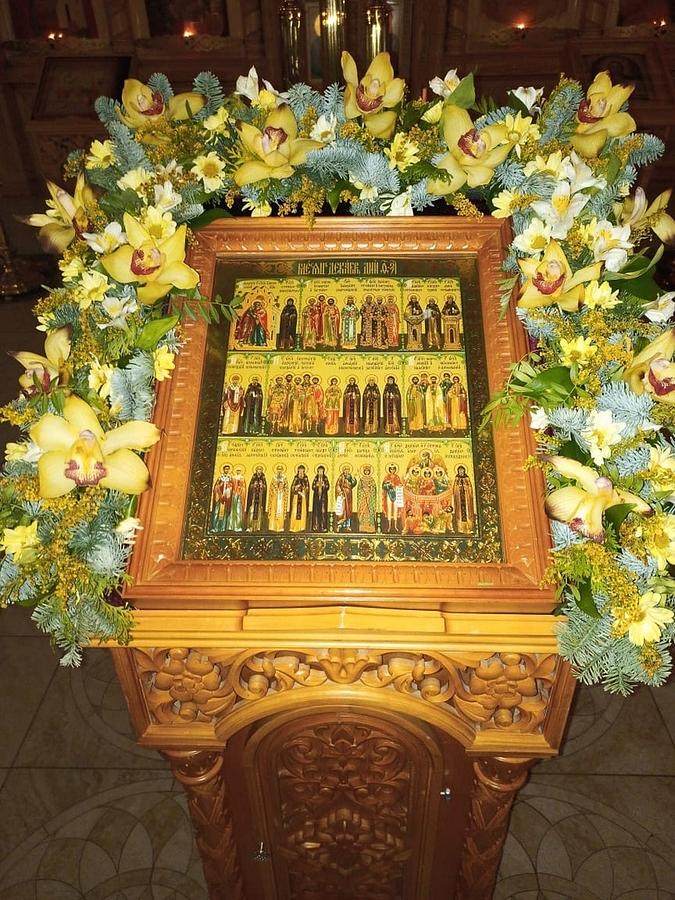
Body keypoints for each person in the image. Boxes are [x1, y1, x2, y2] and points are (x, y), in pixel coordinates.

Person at [452, 465, 475, 534]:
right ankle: (460, 528)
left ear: (464, 471)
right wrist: (458, 488)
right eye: (460, 471)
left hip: (466, 498)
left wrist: (466, 487)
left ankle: (468, 528)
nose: (461, 472)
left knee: (468, 512)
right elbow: (454, 488)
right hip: (459, 498)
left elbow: (470, 488)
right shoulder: (457, 478)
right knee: (460, 513)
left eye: (462, 471)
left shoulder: (467, 478)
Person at [382, 464, 404, 533]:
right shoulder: (387, 477)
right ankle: (389, 526)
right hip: (389, 494)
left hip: (396, 494)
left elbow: (400, 484)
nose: (392, 470)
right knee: (389, 509)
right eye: (391, 469)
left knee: (395, 510)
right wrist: (389, 485)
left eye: (393, 469)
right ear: (389, 470)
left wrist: (398, 485)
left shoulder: (397, 477)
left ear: (395, 470)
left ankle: (395, 526)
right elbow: (383, 486)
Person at [210, 464, 233, 532]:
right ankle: (215, 527)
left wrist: (228, 490)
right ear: (223, 469)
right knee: (217, 512)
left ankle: (223, 528)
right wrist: (219, 491)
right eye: (226, 469)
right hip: (219, 498)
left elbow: (231, 487)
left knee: (225, 513)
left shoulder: (230, 478)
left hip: (226, 498)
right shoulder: (220, 477)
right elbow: (216, 486)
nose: (227, 470)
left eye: (228, 469)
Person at [335, 464, 357, 531]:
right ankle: (339, 525)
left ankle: (347, 526)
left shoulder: (350, 477)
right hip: (343, 496)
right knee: (342, 509)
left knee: (348, 510)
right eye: (345, 470)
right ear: (343, 470)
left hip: (349, 495)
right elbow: (337, 485)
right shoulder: (341, 477)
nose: (347, 471)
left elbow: (352, 484)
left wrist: (354, 479)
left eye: (348, 470)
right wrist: (340, 492)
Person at [289, 464, 310, 532]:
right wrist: (296, 487)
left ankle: (301, 527)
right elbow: (292, 487)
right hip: (296, 496)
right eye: (300, 470)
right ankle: (293, 527)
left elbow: (307, 488)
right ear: (298, 471)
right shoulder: (296, 478)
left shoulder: (305, 478)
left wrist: (304, 488)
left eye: (302, 470)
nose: (301, 472)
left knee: (302, 511)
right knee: (295, 511)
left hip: (303, 497)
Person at [267, 464, 289, 531]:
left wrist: (282, 490)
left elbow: (286, 488)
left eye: (281, 470)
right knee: (273, 510)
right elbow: (271, 487)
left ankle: (280, 526)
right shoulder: (274, 478)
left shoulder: (284, 478)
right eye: (278, 470)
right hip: (275, 497)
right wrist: (275, 491)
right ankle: (272, 526)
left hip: (281, 496)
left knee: (281, 510)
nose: (279, 471)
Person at [357, 464, 377, 533]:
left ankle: (370, 527)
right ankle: (362, 527)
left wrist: (370, 487)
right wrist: (362, 491)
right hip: (363, 497)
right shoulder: (361, 479)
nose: (366, 472)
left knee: (370, 510)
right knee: (363, 511)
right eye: (365, 471)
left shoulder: (372, 480)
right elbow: (359, 489)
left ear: (369, 471)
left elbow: (374, 489)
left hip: (370, 498)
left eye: (368, 471)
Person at [246, 465, 267, 531]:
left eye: (260, 470)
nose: (259, 471)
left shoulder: (263, 478)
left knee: (259, 512)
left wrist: (262, 486)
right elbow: (250, 487)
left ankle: (258, 526)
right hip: (253, 498)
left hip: (260, 498)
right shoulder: (253, 477)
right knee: (252, 511)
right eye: (258, 469)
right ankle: (250, 526)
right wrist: (253, 486)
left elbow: (265, 488)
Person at [311, 465, 330, 532]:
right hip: (316, 497)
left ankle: (323, 527)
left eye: (321, 471)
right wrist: (316, 485)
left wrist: (324, 485)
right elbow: (313, 486)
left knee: (323, 511)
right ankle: (315, 526)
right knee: (316, 512)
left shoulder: (325, 478)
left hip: (323, 497)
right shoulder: (316, 478)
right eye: (319, 471)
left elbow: (328, 486)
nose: (320, 472)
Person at [229, 465, 247, 532]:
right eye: (237, 470)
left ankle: (238, 526)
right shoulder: (233, 477)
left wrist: (240, 490)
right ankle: (231, 526)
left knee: (238, 510)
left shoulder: (242, 478)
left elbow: (244, 487)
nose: (238, 472)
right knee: (232, 509)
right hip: (233, 495)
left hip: (239, 496)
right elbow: (230, 486)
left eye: (239, 471)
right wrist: (232, 490)